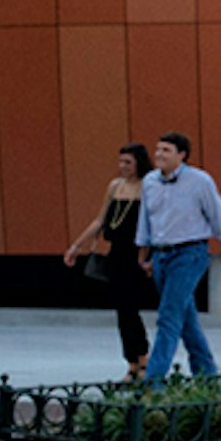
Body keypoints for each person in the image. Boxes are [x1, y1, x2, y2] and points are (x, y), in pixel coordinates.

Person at [136, 129, 221, 383]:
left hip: (189, 253)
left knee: (169, 315)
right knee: (185, 318)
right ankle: (207, 374)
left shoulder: (200, 181)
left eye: (166, 151)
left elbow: (219, 216)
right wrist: (144, 256)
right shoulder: (150, 181)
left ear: (181, 156)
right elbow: (146, 221)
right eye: (158, 149)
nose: (159, 155)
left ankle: (153, 380)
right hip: (161, 255)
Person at [60, 142, 152, 371]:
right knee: (122, 309)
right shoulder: (115, 186)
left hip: (136, 253)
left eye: (128, 162)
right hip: (116, 252)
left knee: (129, 306)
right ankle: (132, 361)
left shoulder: (149, 187)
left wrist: (147, 257)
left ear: (139, 163)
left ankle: (142, 357)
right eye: (121, 162)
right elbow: (100, 220)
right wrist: (76, 246)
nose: (123, 167)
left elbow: (152, 225)